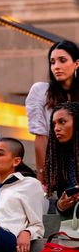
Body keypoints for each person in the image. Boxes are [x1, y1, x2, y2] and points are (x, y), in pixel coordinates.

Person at [25, 40, 79, 184]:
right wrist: (42, 176)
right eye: (53, 62)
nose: (56, 67)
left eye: (62, 60)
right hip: (58, 161)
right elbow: (40, 136)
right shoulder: (40, 91)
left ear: (76, 64)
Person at [45, 101, 79, 217]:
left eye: (62, 122)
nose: (56, 128)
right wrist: (61, 205)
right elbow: (61, 204)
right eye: (54, 124)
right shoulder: (61, 158)